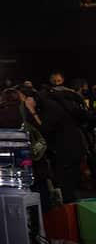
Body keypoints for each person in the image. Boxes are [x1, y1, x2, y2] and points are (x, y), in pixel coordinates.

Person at [38, 72, 88, 203]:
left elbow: (46, 128)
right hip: (78, 143)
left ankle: (70, 210)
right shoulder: (73, 98)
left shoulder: (51, 103)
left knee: (67, 183)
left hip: (63, 147)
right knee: (75, 181)